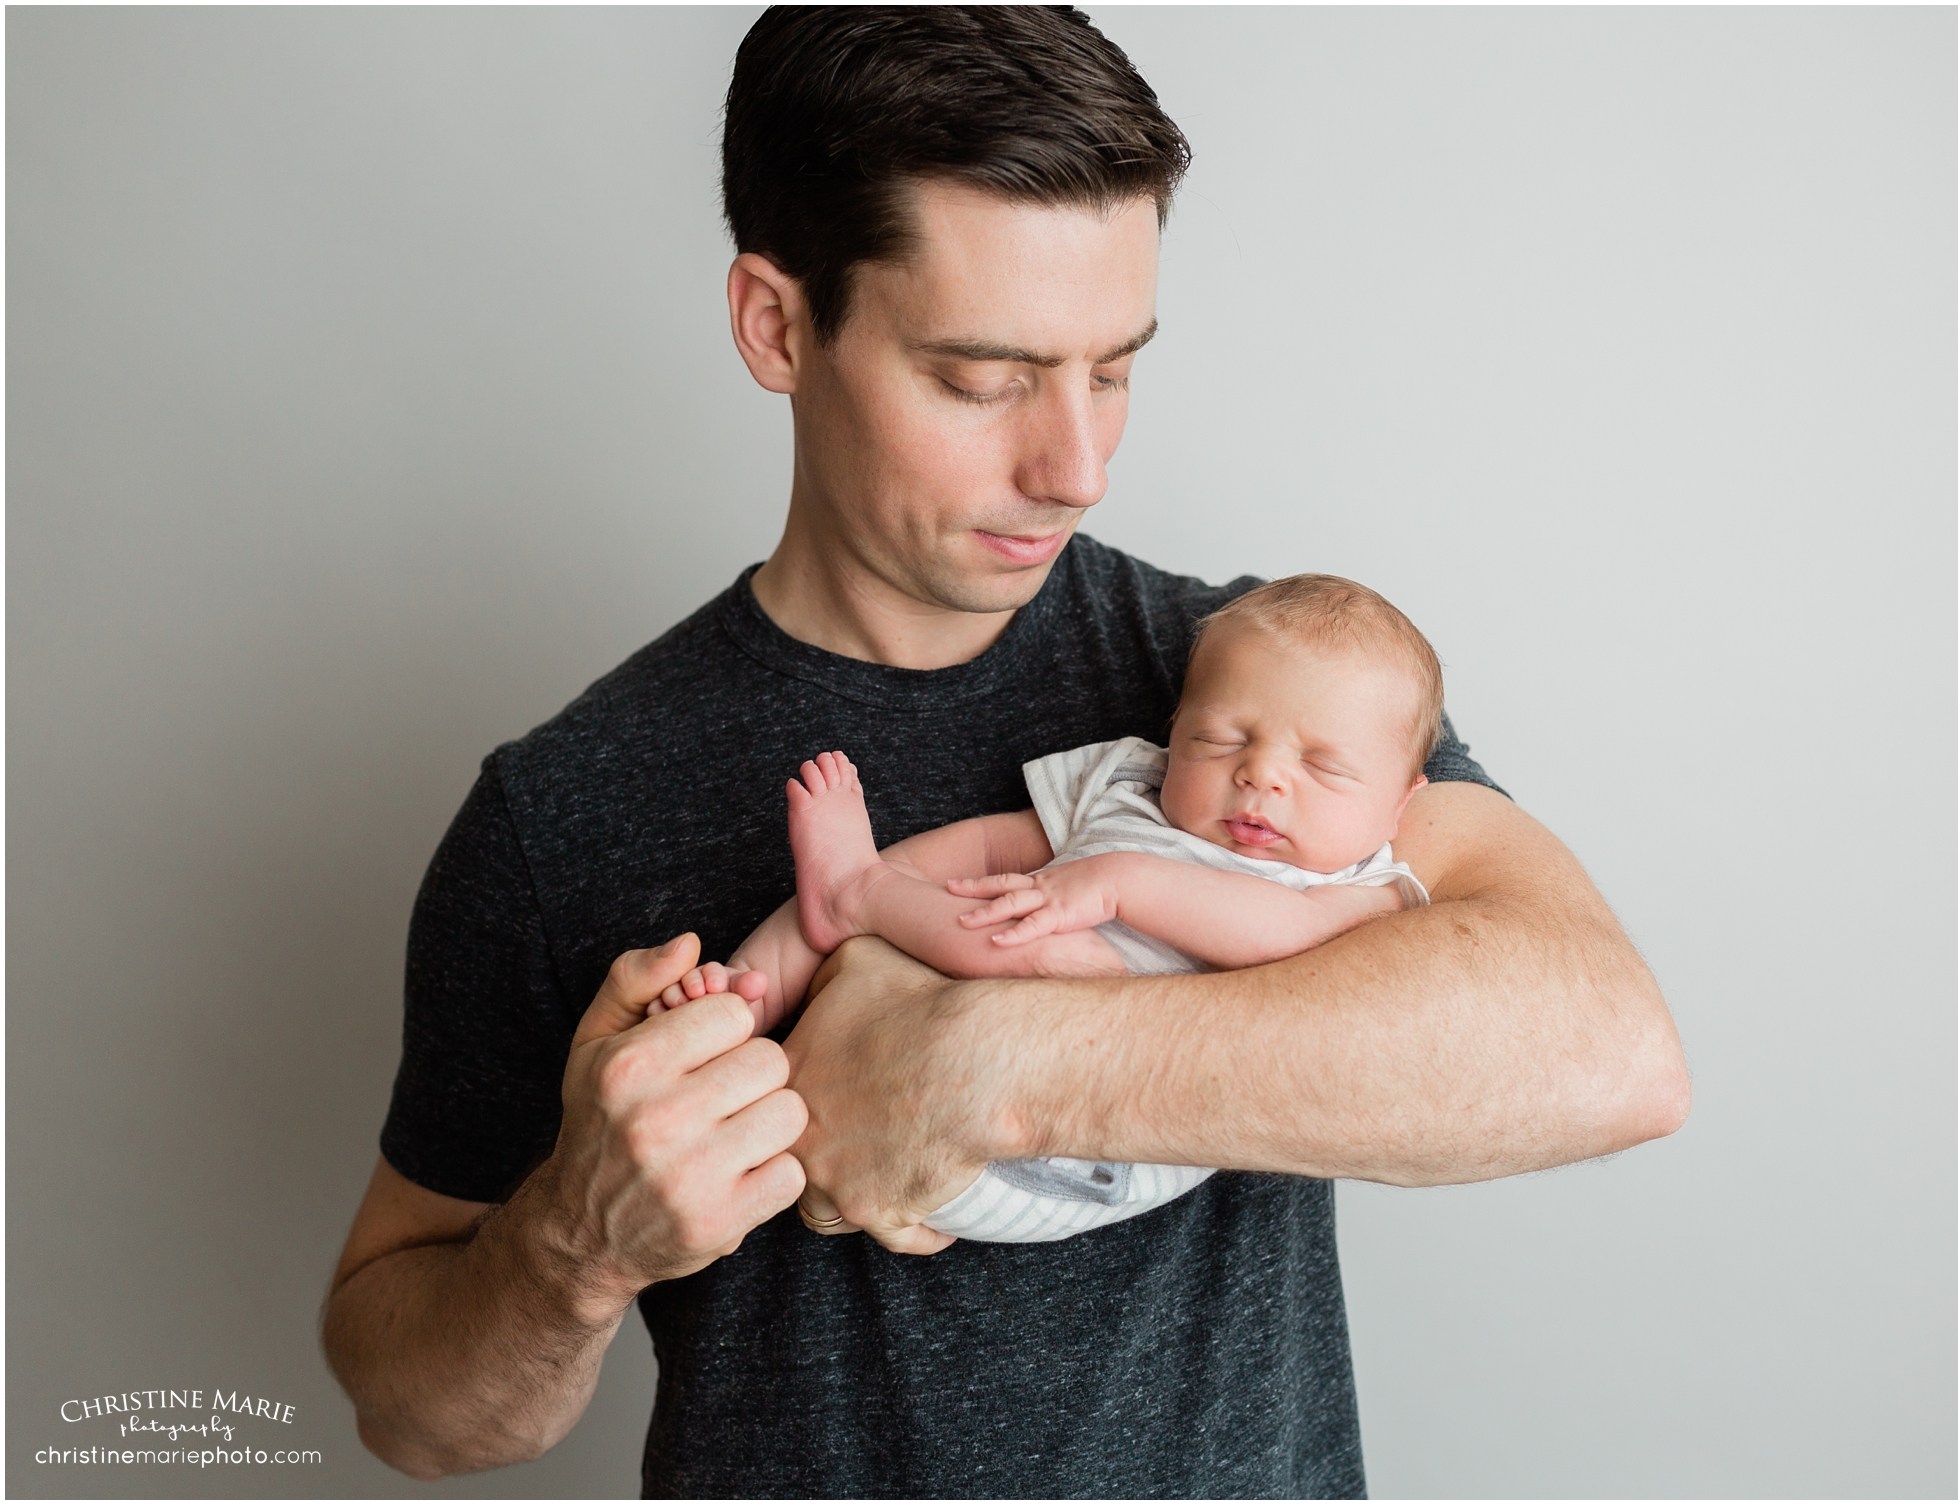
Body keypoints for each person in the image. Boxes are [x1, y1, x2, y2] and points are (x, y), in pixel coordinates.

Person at [321, 8, 1690, 1497]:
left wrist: (1001, 1069)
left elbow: (1603, 1052)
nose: (1078, 467)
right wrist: (570, 1248)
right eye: (986, 378)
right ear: (779, 326)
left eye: (1114, 369)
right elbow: (413, 1409)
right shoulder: (561, 809)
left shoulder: (1250, 691)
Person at [658, 573, 1438, 1245]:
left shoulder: (1365, 890)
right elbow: (991, 852)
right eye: (1221, 738)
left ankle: (856, 896)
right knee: (869, 907)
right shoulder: (1129, 784)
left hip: (1081, 1152)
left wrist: (1119, 882)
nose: (1261, 774)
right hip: (907, 1101)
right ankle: (739, 1002)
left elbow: (1281, 935)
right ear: (1174, 730)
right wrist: (894, 876)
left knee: (1057, 955)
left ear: (1402, 802)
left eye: (1323, 767)